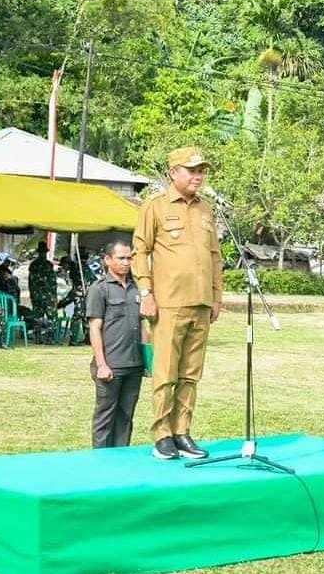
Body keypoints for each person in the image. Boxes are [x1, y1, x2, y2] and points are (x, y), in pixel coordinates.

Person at [132, 146, 223, 460]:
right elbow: (139, 252)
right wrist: (146, 293)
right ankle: (162, 434)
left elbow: (214, 256)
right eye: (192, 170)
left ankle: (182, 431)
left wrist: (216, 296)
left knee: (190, 374)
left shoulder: (205, 209)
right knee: (166, 371)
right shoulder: (154, 207)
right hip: (168, 303)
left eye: (201, 171)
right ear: (173, 173)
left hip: (200, 303)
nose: (198, 176)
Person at [87, 240, 145, 448]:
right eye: (121, 258)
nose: (127, 262)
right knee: (105, 416)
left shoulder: (137, 288)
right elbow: (94, 328)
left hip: (134, 364)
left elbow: (143, 326)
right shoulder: (99, 289)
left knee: (126, 416)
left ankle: (121, 457)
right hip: (111, 364)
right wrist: (102, 364)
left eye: (129, 258)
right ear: (107, 260)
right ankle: (101, 460)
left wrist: (147, 361)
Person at [28, 241, 58, 342]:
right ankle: (49, 338)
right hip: (47, 295)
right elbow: (53, 283)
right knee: (49, 317)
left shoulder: (34, 265)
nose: (43, 254)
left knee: (39, 317)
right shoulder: (47, 265)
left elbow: (31, 282)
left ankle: (39, 338)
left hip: (39, 295)